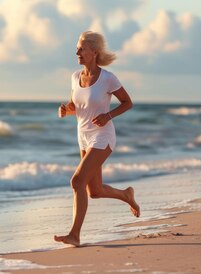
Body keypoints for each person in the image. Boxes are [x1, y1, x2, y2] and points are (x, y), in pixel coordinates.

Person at [55, 31, 140, 247]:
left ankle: (74, 234)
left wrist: (108, 115)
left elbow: (127, 102)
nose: (77, 52)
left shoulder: (108, 78)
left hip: (103, 136)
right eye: (77, 48)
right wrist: (66, 110)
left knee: (77, 181)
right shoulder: (75, 77)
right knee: (94, 191)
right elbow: (77, 105)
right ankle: (126, 195)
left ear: (94, 52)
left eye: (81, 48)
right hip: (82, 136)